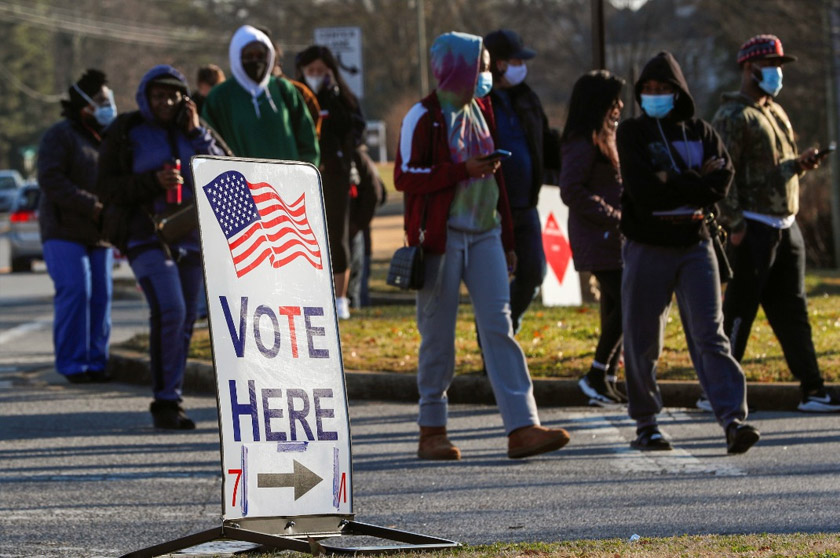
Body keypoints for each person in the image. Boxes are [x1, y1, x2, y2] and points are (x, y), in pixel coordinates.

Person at [395, 31, 570, 461]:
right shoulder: (423, 115)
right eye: (482, 65)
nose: (488, 74)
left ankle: (522, 426)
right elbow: (405, 176)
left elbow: (497, 182)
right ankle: (432, 429)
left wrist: (507, 237)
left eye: (488, 66)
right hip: (442, 238)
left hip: (486, 232)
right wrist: (460, 170)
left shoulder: (483, 108)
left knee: (499, 326)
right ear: (456, 68)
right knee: (437, 333)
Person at [617, 51, 760, 454]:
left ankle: (733, 420)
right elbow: (643, 191)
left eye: (663, 89)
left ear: (678, 92)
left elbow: (724, 181)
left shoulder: (701, 131)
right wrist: (698, 179)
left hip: (695, 244)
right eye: (647, 89)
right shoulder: (632, 133)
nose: (655, 95)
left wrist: (679, 183)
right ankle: (646, 424)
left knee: (710, 336)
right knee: (643, 339)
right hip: (648, 244)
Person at [712, 35, 840, 413]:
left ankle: (813, 389)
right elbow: (722, 175)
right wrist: (733, 222)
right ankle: (717, 391)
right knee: (739, 309)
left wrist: (799, 165)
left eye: (780, 65)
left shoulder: (775, 111)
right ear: (748, 68)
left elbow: (768, 166)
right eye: (770, 65)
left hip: (786, 225)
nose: (777, 73)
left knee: (793, 309)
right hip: (752, 226)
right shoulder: (733, 115)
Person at [97, 65, 226, 430]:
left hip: (191, 237)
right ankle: (164, 400)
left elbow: (222, 171)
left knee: (185, 317)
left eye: (173, 95)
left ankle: (172, 398)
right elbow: (106, 187)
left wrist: (197, 131)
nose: (165, 102)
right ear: (144, 97)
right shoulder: (127, 132)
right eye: (157, 95)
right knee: (170, 308)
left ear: (184, 98)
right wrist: (152, 182)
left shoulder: (194, 131)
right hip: (144, 234)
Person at [37, 69, 116, 384]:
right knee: (76, 290)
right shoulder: (60, 135)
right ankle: (72, 364)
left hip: (99, 234)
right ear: (84, 105)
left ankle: (97, 362)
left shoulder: (109, 139)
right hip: (63, 230)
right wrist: (91, 204)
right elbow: (50, 179)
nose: (108, 105)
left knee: (101, 295)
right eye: (101, 100)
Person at [483, 29, 560, 334]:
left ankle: (506, 327)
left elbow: (544, 140)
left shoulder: (527, 97)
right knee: (493, 282)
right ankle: (490, 342)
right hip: (493, 208)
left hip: (527, 205)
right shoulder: (480, 100)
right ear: (499, 64)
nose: (521, 66)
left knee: (534, 272)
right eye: (516, 60)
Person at [558, 70, 627, 407]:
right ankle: (596, 375)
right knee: (631, 302)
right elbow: (571, 189)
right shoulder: (582, 140)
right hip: (599, 236)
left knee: (616, 307)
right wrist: (613, 216)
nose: (620, 106)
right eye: (614, 99)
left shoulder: (606, 136)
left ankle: (607, 378)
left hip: (613, 237)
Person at [296, 45, 366, 320]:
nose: (314, 76)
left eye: (320, 72)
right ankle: (309, 294)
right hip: (303, 176)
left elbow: (355, 127)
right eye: (310, 71)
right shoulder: (294, 95)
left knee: (337, 236)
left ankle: (340, 298)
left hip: (336, 177)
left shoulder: (342, 97)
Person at [201, 25, 319, 165]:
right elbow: (208, 145)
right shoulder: (220, 97)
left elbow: (307, 140)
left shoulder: (284, 90)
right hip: (243, 183)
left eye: (260, 56)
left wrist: (303, 174)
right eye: (249, 56)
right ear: (237, 56)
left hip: (287, 183)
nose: (255, 61)